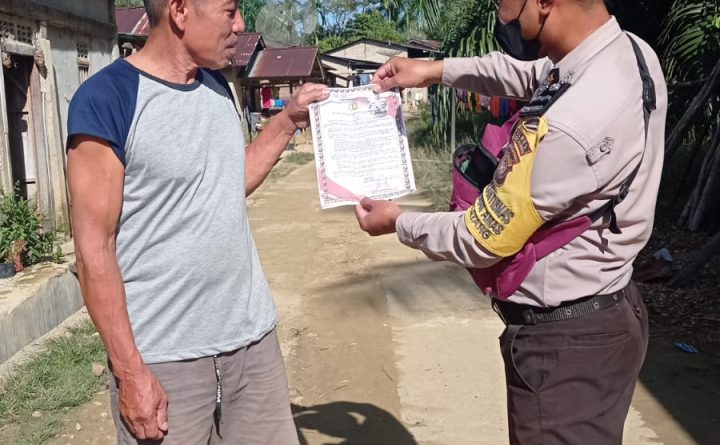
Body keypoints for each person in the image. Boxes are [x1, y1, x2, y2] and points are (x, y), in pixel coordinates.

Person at [355, 0, 667, 443]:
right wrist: (431, 71)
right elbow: (530, 74)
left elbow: (480, 237)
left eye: (505, 5)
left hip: (564, 346)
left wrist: (399, 222)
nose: (501, 18)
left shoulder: (573, 127)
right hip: (606, 313)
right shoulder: (628, 52)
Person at [66, 0, 328, 443]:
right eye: (230, 10)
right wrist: (131, 372)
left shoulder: (218, 86)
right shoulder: (107, 100)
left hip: (252, 344)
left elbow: (227, 181)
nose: (240, 25)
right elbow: (94, 249)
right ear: (180, 11)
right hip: (165, 361)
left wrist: (286, 122)